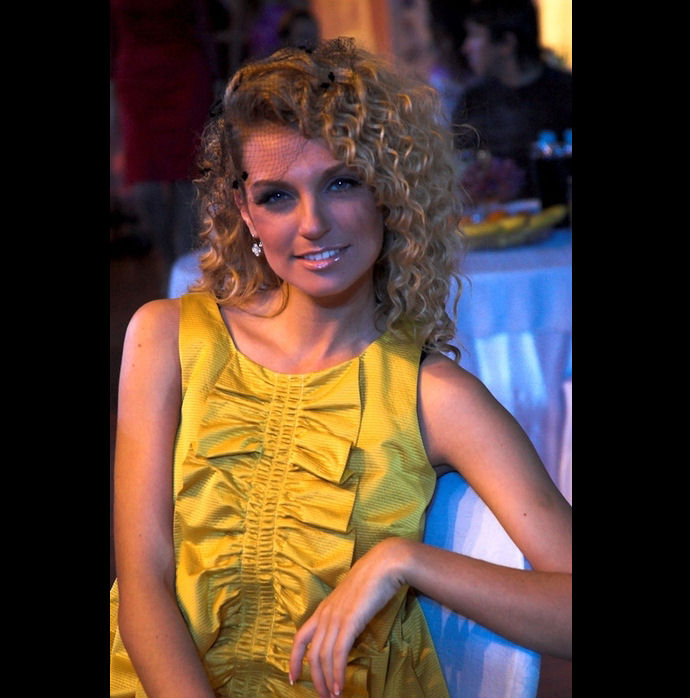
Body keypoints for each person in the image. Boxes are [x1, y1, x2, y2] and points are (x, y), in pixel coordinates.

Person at [109, 37, 571, 697]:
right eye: (276, 196)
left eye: (342, 182)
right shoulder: (166, 338)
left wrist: (405, 561)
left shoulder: (435, 396)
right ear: (245, 213)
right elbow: (143, 582)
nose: (313, 224)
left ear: (389, 192)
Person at [110, 0, 222, 274]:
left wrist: (217, 78)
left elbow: (203, 21)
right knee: (144, 187)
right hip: (136, 79)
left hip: (185, 73)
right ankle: (168, 259)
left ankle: (184, 266)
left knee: (190, 176)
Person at [452, 0, 572, 200]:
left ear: (506, 43)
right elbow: (457, 169)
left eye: (475, 35)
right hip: (496, 217)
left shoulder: (565, 93)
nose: (466, 48)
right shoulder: (473, 101)